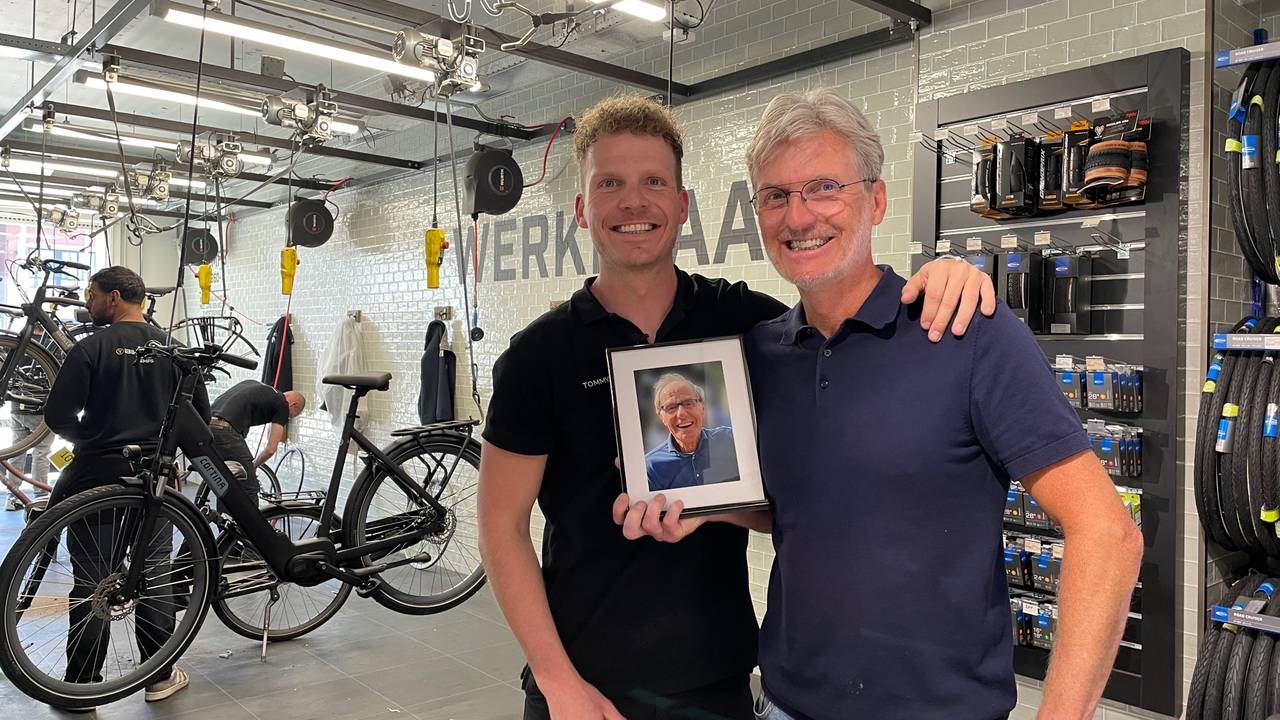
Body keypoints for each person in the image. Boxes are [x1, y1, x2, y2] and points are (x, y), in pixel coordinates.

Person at [620, 89, 1144, 720]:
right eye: (776, 195)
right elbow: (800, 508)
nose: (798, 216)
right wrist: (707, 508)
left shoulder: (964, 330)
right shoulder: (760, 355)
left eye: (823, 186)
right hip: (786, 705)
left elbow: (1108, 535)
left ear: (876, 199)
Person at [477, 94, 997, 720]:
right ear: (583, 210)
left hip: (722, 679)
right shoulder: (538, 356)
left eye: (654, 182)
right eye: (609, 183)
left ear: (682, 205)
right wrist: (558, 683)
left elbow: (837, 351)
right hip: (585, 689)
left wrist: (947, 276)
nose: (633, 202)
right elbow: (501, 527)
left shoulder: (750, 327)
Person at [43, 266, 211, 706]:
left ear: (113, 298)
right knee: (153, 576)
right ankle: (158, 677)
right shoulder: (176, 351)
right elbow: (200, 420)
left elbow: (57, 416)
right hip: (156, 487)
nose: (88, 302)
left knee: (93, 583)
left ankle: (81, 686)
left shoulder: (91, 349)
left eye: (92, 295)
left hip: (95, 482)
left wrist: (94, 439)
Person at [208, 379, 305, 501]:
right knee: (250, 486)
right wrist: (253, 465)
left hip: (207, 424)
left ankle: (224, 519)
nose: (288, 417)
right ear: (294, 405)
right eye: (292, 415)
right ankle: (248, 520)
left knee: (228, 481)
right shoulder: (283, 405)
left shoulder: (254, 385)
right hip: (226, 430)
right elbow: (271, 449)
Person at [644, 372, 737, 491]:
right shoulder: (650, 467)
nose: (681, 413)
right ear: (661, 417)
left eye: (688, 403)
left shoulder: (732, 440)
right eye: (671, 407)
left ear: (702, 407)